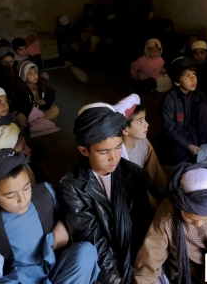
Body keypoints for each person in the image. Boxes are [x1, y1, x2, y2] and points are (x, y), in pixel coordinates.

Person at [0, 148, 100, 284]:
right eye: (11, 195)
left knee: (87, 251)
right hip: (21, 278)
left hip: (56, 266)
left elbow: (69, 214)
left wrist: (63, 226)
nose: (23, 199)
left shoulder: (45, 193)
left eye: (26, 188)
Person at [59, 103, 152, 284]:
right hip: (105, 266)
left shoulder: (132, 173)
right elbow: (94, 239)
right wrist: (116, 279)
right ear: (84, 150)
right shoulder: (71, 186)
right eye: (103, 152)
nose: (114, 158)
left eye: (118, 147)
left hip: (135, 258)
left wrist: (142, 269)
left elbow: (143, 224)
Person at [158, 57, 207, 167]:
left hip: (198, 134)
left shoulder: (198, 93)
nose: (193, 79)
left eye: (194, 74)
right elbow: (169, 129)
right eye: (187, 76)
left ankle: (203, 145)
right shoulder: (169, 100)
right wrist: (189, 145)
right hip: (179, 137)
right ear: (177, 82)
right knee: (178, 158)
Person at [113, 94, 167, 207]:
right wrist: (152, 201)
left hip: (139, 184)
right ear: (125, 129)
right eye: (140, 121)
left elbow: (155, 170)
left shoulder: (143, 143)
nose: (147, 124)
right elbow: (130, 188)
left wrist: (168, 192)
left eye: (144, 119)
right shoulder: (116, 158)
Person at [12, 62, 58, 126]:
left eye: (35, 72)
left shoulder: (41, 85)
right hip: (29, 114)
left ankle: (39, 122)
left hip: (41, 111)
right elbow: (21, 106)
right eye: (30, 74)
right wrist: (32, 107)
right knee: (20, 117)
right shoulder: (20, 90)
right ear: (24, 76)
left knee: (55, 109)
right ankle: (41, 122)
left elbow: (51, 94)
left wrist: (44, 102)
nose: (34, 75)